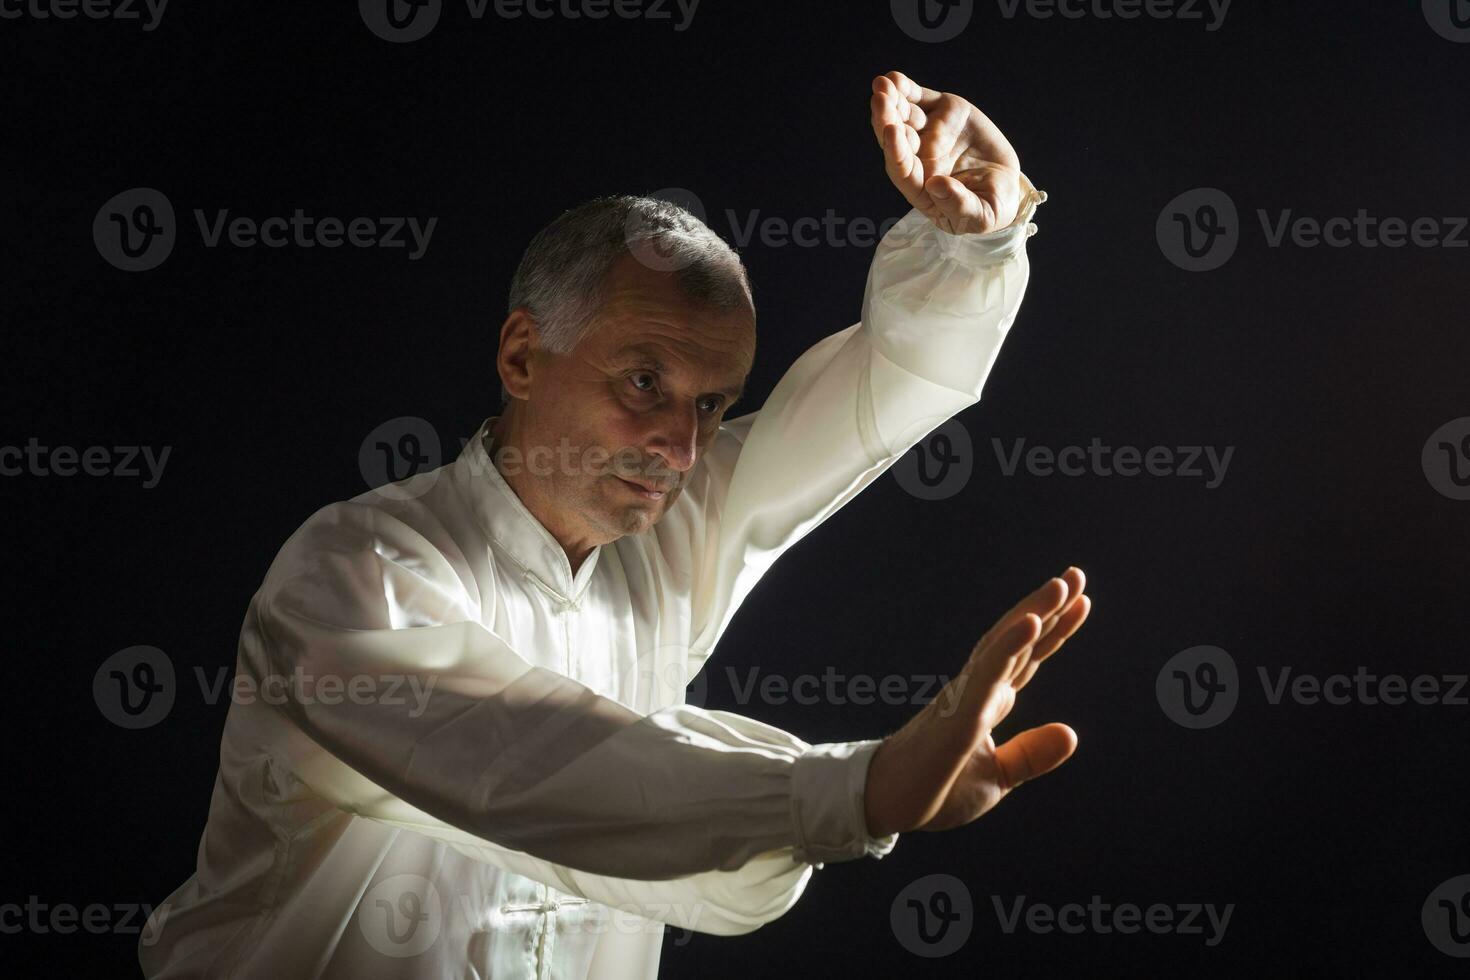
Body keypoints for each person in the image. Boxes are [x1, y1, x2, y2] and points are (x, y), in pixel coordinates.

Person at [139, 70, 1090, 979]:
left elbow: (875, 401)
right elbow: (536, 766)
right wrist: (857, 787)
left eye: (713, 406)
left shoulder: (670, 530)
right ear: (522, 354)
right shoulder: (353, 575)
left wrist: (977, 243)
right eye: (645, 384)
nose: (679, 447)